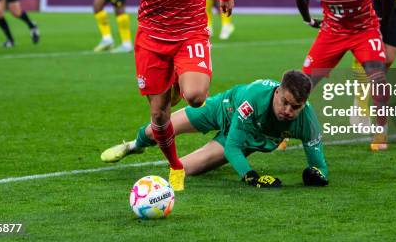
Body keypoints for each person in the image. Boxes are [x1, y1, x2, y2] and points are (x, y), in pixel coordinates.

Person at [98, 0, 234, 191]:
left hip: (191, 31)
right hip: (152, 38)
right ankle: (176, 167)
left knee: (197, 97)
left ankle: (177, 81)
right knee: (159, 115)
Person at [101, 70, 328, 188]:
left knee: (184, 169)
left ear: (304, 104)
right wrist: (251, 176)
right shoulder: (254, 99)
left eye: (295, 107)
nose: (288, 110)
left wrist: (317, 175)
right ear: (277, 91)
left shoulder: (307, 122)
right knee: (159, 128)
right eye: (284, 102)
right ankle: (133, 146)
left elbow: (319, 165)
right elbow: (232, 147)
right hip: (223, 109)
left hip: (242, 138)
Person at [296, 0, 396, 151]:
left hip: (364, 32)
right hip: (331, 33)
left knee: (378, 78)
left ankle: (381, 131)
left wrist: (384, 21)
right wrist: (309, 20)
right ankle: (283, 129)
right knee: (302, 84)